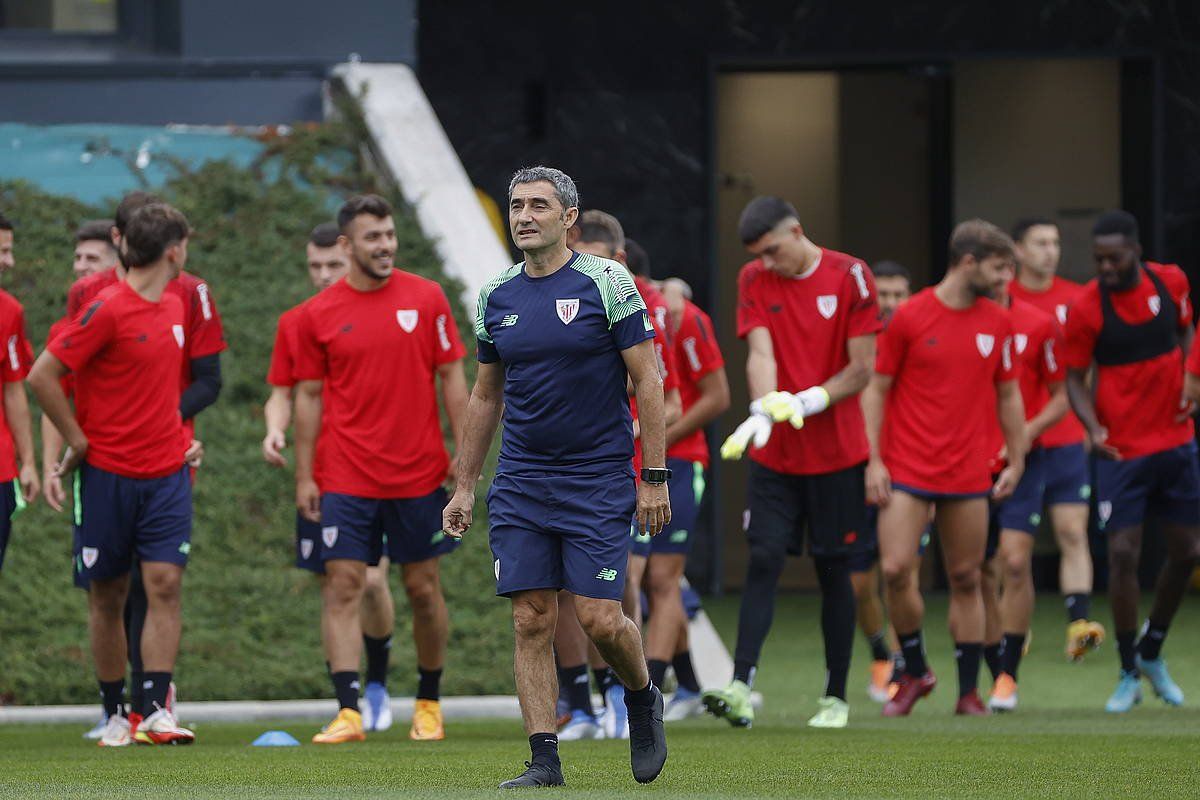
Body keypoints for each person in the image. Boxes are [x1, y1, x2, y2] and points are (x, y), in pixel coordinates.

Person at [442, 166, 669, 788]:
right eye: (517, 204)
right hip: (521, 478)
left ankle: (642, 695)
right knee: (531, 616)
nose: (524, 215)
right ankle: (544, 759)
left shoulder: (608, 283)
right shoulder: (497, 295)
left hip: (596, 476)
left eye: (539, 205)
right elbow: (486, 397)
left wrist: (654, 475)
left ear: (569, 217)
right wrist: (465, 484)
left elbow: (649, 381)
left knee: (599, 618)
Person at [292, 195, 467, 744]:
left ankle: (429, 703)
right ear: (347, 246)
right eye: (373, 237)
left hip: (419, 475)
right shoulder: (316, 315)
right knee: (343, 586)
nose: (385, 245)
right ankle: (348, 711)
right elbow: (309, 397)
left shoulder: (428, 297)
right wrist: (305, 475)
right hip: (345, 476)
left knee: (422, 587)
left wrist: (465, 454)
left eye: (388, 234)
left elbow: (454, 378)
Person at [52, 191, 225, 741]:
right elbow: (47, 375)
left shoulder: (183, 301)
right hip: (105, 470)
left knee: (163, 583)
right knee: (109, 591)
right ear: (172, 250)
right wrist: (74, 441)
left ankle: (153, 708)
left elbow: (199, 382)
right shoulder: (99, 304)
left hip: (166, 470)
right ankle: (112, 713)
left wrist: (173, 434)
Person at [706, 196, 880, 731]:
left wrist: (806, 401)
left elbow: (862, 369)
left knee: (834, 570)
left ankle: (835, 697)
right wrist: (764, 410)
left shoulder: (852, 275)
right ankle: (740, 685)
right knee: (763, 558)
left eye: (774, 251)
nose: (767, 263)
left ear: (797, 232)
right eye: (758, 254)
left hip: (837, 454)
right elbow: (760, 353)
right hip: (777, 457)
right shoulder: (754, 278)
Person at [862, 219, 1026, 717]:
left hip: (967, 471)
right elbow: (877, 389)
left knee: (966, 577)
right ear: (969, 262)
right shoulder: (910, 316)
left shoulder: (998, 321)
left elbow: (1009, 393)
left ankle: (969, 692)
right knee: (893, 570)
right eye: (999, 269)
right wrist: (873, 460)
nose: (1005, 281)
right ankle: (916, 670)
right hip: (908, 466)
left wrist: (1017, 458)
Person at [262, 223, 400, 731]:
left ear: (351, 260)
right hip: (322, 475)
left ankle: (380, 682)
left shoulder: (385, 311)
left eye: (331, 267)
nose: (322, 276)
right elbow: (282, 390)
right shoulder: (298, 322)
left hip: (376, 473)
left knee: (370, 580)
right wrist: (274, 431)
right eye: (314, 267)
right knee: (335, 587)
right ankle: (348, 701)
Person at [1065, 210, 1200, 713]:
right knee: (1122, 553)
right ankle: (1127, 671)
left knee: (1187, 551)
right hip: (1121, 450)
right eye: (1097, 259)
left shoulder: (1171, 282)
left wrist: (1190, 383)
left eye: (1113, 258)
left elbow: (1188, 335)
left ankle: (1152, 649)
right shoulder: (1085, 308)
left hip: (1177, 440)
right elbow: (1075, 379)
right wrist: (1091, 427)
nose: (1104, 267)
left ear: (1136, 251)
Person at [557, 211, 681, 742]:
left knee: (623, 586)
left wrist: (653, 469)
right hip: (552, 468)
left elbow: (659, 391)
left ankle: (624, 688)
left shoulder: (637, 310)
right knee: (553, 593)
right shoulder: (544, 303)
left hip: (616, 467)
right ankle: (580, 701)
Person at [1008, 217, 1105, 660]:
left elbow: (1089, 369)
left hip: (1065, 436)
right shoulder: (1000, 297)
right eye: (1040, 243)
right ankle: (1012, 627)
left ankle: (1078, 625)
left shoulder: (1077, 297)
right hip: (1012, 441)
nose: (1051, 250)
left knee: (1071, 530)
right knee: (1010, 548)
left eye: (1056, 242)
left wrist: (1089, 422)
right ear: (1018, 250)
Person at [980, 260, 1068, 712]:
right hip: (969, 459)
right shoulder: (959, 320)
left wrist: (1024, 433)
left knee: (1014, 562)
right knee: (978, 569)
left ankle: (1008, 676)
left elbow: (1061, 396)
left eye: (1003, 270)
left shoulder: (1038, 324)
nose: (997, 279)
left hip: (1025, 460)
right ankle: (992, 667)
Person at [848, 259, 911, 702]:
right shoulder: (856, 338)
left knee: (901, 571)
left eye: (897, 294)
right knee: (858, 581)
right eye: (882, 294)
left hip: (909, 471)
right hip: (856, 466)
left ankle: (905, 662)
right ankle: (880, 653)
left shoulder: (918, 337)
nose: (889, 303)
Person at [0, 212, 40, 575]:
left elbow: (14, 390)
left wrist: (27, 461)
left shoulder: (9, 311)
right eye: (2, 252)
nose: (9, 262)